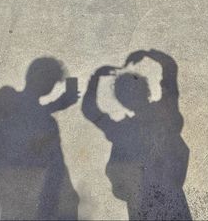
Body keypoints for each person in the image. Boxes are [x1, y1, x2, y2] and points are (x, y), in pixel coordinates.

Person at [82, 50, 191, 220]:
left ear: (121, 101)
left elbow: (89, 110)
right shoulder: (167, 108)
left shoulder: (121, 128)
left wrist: (96, 77)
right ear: (147, 91)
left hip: (142, 202)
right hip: (173, 195)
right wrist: (147, 53)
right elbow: (170, 66)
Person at [0, 57, 79, 220]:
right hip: (23, 196)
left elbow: (57, 162)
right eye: (51, 79)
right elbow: (22, 118)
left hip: (48, 198)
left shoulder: (46, 118)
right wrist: (56, 104)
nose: (50, 85)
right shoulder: (7, 97)